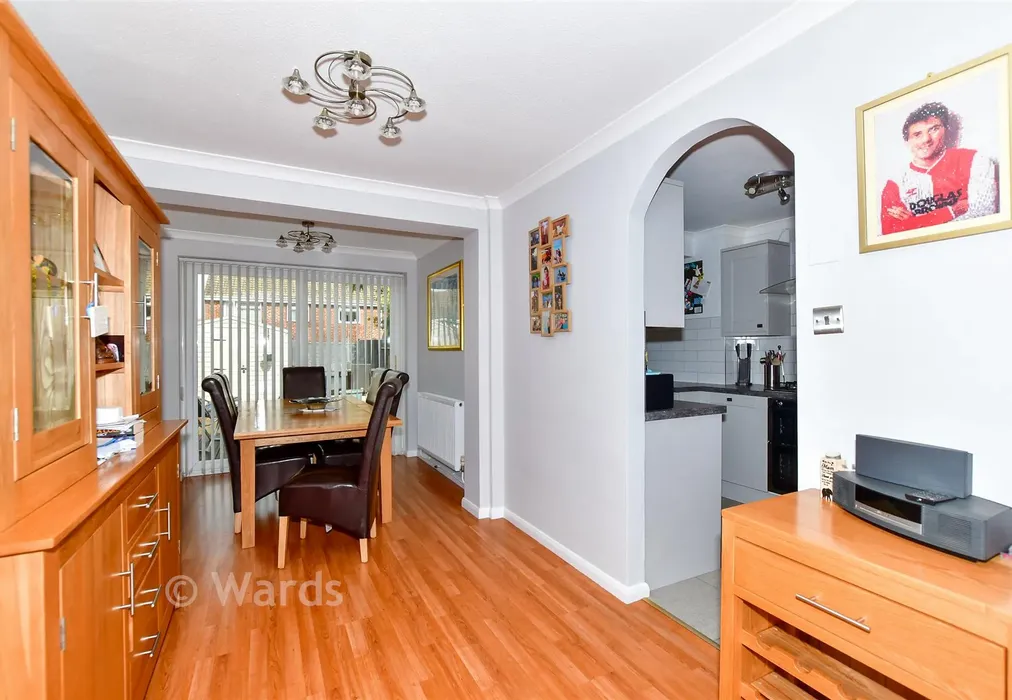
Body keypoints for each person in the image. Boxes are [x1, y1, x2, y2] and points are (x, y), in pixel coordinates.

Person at [880, 101, 999, 234]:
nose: (926, 139)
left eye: (934, 129)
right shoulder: (895, 183)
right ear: (907, 142)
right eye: (917, 134)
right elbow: (891, 232)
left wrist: (914, 222)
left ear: (945, 130)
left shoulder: (975, 160)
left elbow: (984, 214)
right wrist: (953, 211)